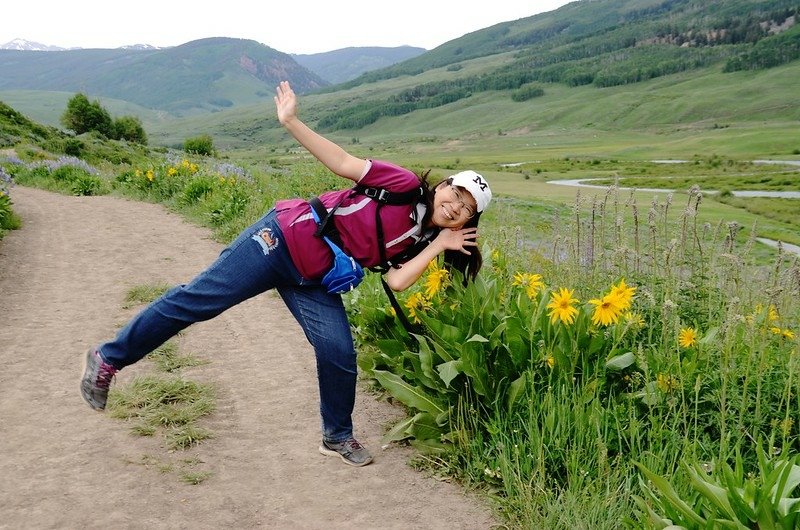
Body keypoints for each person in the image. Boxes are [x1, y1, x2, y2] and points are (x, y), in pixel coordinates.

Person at [81, 81, 492, 467]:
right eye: (455, 194)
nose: (455, 206)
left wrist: (439, 245)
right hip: (278, 240)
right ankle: (108, 358)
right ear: (441, 186)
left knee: (339, 353)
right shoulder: (401, 184)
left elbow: (396, 282)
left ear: (467, 222)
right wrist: (291, 121)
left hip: (312, 279)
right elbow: (343, 162)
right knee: (197, 300)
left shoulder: (423, 241)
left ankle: (336, 436)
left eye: (466, 208)